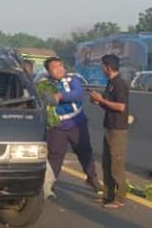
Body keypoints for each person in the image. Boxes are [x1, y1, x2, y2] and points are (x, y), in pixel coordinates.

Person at [36, 57, 104, 194]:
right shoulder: (43, 84)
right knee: (55, 156)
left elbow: (78, 94)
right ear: (48, 71)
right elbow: (45, 99)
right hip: (57, 127)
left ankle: (92, 177)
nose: (59, 69)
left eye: (60, 65)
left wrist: (60, 96)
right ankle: (51, 181)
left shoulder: (73, 79)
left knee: (85, 151)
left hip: (76, 123)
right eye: (54, 67)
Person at [89, 54, 130, 209]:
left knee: (116, 163)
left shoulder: (120, 84)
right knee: (106, 163)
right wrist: (98, 101)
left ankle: (120, 198)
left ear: (108, 67)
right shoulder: (110, 83)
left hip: (118, 129)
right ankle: (108, 194)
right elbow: (108, 104)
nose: (102, 69)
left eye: (103, 66)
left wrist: (102, 100)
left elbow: (120, 107)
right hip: (109, 125)